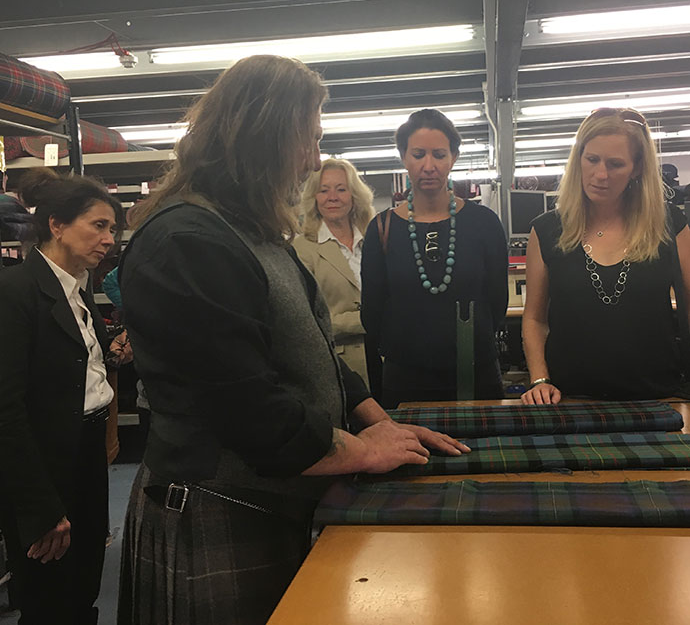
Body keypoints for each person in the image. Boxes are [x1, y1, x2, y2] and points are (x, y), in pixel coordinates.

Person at [116, 55, 469, 625]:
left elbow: (317, 348)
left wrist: (377, 420)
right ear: (262, 136)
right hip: (215, 508)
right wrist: (362, 450)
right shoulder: (186, 240)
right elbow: (247, 409)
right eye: (306, 141)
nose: (310, 161)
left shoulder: (252, 230)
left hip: (273, 501)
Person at [0, 168, 126, 624]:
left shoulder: (76, 290)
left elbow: (75, 369)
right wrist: (39, 507)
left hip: (84, 453)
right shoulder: (16, 292)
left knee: (84, 579)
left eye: (112, 228)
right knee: (50, 594)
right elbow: (5, 409)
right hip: (46, 466)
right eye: (98, 225)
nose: (108, 239)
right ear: (56, 224)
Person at [521, 107, 690, 405]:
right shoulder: (546, 230)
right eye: (592, 160)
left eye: (615, 164)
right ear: (579, 160)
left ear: (637, 168)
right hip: (569, 398)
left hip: (659, 398)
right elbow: (534, 318)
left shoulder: (670, 227)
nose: (601, 174)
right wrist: (540, 379)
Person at [361, 108, 508, 408]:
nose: (429, 166)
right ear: (403, 156)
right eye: (418, 154)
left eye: (439, 155)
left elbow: (497, 302)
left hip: (475, 373)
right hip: (404, 378)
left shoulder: (485, 223)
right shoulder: (381, 229)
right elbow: (372, 312)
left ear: (453, 157)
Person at [294, 158, 375, 385]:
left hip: (384, 358)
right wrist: (368, 320)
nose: (332, 197)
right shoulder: (301, 249)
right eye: (324, 190)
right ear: (314, 198)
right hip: (339, 367)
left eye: (341, 189)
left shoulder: (374, 240)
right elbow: (309, 321)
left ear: (354, 196)